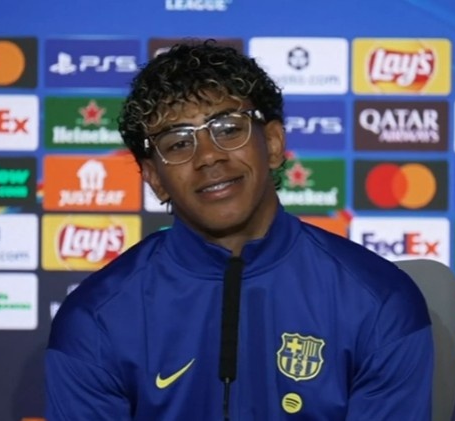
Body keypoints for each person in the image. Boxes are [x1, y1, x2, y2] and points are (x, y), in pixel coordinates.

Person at [45, 39, 434, 420]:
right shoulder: (95, 321)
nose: (208, 156)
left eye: (229, 128)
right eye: (178, 143)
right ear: (155, 178)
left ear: (274, 143)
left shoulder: (380, 302)